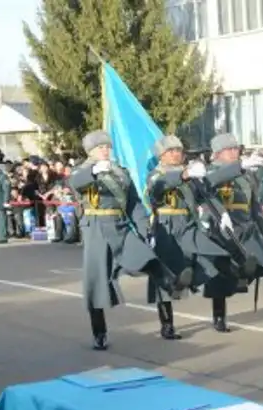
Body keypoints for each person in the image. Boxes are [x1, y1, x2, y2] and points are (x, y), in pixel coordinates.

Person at [69, 130, 190, 350]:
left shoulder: (120, 173)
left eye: (107, 147)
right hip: (96, 228)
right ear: (90, 151)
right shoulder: (83, 170)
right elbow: (75, 182)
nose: (105, 151)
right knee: (97, 283)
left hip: (120, 226)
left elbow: (133, 204)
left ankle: (174, 284)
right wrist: (94, 172)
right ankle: (99, 332)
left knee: (149, 259)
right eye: (100, 148)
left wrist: (145, 230)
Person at [194, 133, 263, 333]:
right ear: (218, 153)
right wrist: (238, 168)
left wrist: (262, 225)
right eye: (230, 149)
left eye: (236, 148)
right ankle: (219, 316)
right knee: (221, 275)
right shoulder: (208, 171)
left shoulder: (245, 174)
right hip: (221, 228)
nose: (235, 152)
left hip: (246, 223)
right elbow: (207, 185)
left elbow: (253, 201)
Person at [145, 135, 221, 340]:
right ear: (162, 155)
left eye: (179, 150)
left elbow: (203, 196)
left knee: (207, 256)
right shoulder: (156, 174)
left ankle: (185, 283)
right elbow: (158, 187)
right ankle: (167, 324)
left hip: (188, 223)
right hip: (165, 226)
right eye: (171, 151)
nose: (177, 154)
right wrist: (184, 175)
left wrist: (218, 214)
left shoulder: (189, 174)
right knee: (163, 275)